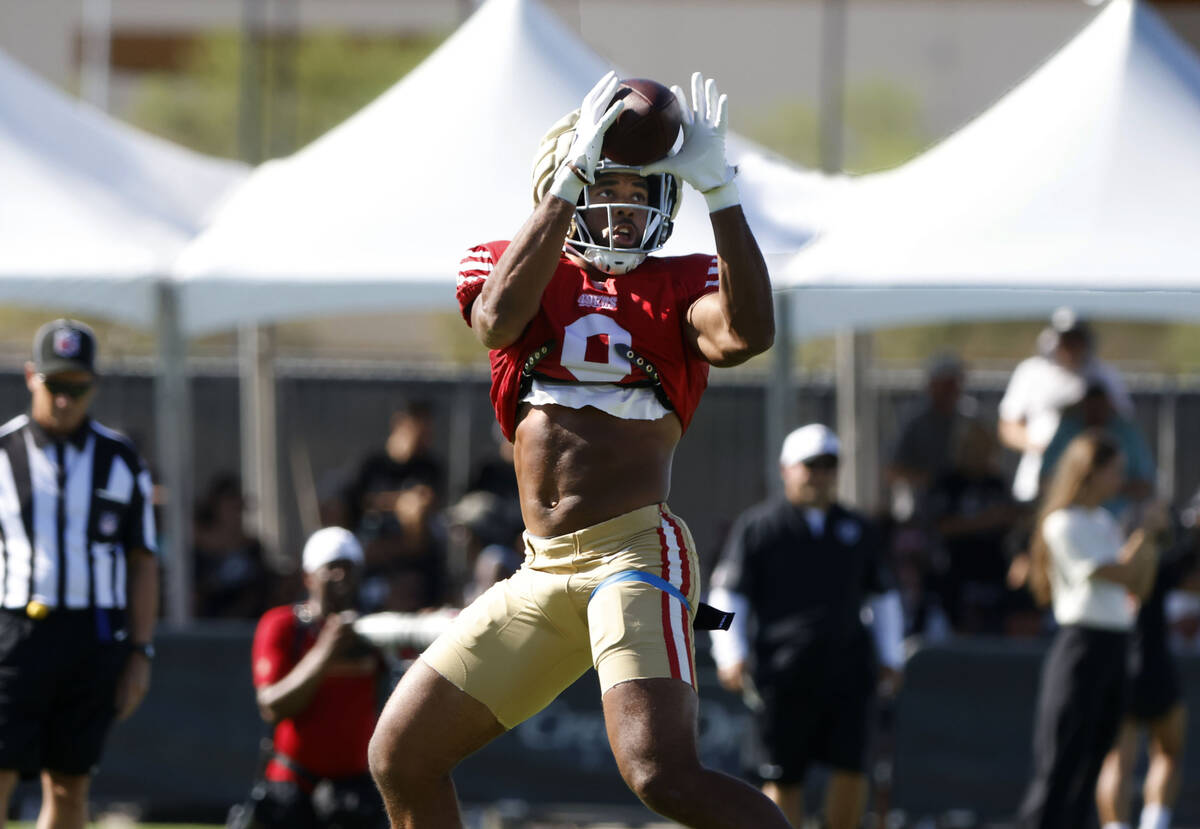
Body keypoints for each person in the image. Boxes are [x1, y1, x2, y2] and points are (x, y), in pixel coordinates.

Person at [368, 71, 789, 828]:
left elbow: (748, 333)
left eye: (639, 193)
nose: (624, 209)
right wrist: (569, 178)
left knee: (660, 772)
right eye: (607, 186)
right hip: (542, 568)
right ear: (564, 183)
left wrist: (722, 194)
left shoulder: (680, 283)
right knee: (401, 754)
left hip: (634, 554)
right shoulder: (512, 268)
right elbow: (497, 320)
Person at [0, 319, 159, 829]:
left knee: (70, 787)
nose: (65, 399)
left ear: (95, 384)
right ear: (31, 376)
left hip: (92, 637)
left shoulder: (121, 459)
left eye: (78, 386)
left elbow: (142, 561)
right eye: (55, 385)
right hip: (13, 633)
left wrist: (140, 652)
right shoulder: (3, 452)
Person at [708, 424, 905, 829]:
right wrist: (730, 653)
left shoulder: (859, 528)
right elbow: (728, 594)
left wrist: (892, 656)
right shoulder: (759, 526)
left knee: (852, 767)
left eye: (829, 466)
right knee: (782, 775)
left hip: (849, 671)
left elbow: (883, 596)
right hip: (783, 673)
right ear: (786, 469)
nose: (820, 475)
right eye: (811, 466)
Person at [1016, 431, 1163, 829]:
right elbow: (1118, 573)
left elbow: (1140, 585)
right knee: (1060, 764)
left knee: (1093, 761)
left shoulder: (1104, 521)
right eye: (1113, 470)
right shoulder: (1063, 523)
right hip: (1081, 647)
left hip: (1116, 646)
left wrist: (1150, 539)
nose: (1120, 479)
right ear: (1090, 472)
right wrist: (1144, 534)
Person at [239, 527, 387, 829]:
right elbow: (272, 705)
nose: (341, 577)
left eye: (349, 568)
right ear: (309, 577)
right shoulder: (283, 626)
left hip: (355, 792)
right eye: (332, 568)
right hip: (293, 787)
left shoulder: (374, 631)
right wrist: (325, 652)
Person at [1095, 498, 1200, 829]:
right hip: (1144, 665)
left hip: (1128, 666)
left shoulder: (1119, 562)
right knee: (1127, 760)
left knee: (1131, 758)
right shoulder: (1144, 563)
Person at [999, 308, 1132, 504]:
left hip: (1093, 484)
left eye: (1077, 338)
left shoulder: (1104, 375)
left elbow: (1123, 421)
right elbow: (1008, 427)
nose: (1071, 346)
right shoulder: (1030, 372)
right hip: (1037, 479)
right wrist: (1045, 448)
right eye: (1066, 339)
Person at [925, 420, 1030, 635]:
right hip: (955, 571)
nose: (978, 453)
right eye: (972, 446)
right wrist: (987, 520)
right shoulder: (948, 483)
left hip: (995, 571)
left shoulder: (996, 483)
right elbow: (941, 526)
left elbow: (1012, 521)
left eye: (984, 447)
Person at [1040, 378, 1155, 525]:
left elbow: (1146, 485)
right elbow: (1044, 480)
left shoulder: (1127, 433)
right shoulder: (1063, 523)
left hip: (1121, 519)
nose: (1096, 413)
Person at [886, 351, 980, 522]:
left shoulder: (969, 417)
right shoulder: (914, 422)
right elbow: (892, 470)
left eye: (955, 383)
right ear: (932, 385)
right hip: (920, 510)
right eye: (947, 384)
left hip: (963, 508)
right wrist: (931, 480)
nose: (952, 389)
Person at [193, 473, 273, 619]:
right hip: (208, 622)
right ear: (215, 506)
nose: (234, 511)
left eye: (237, 505)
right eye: (229, 504)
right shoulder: (197, 549)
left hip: (247, 622)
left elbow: (261, 587)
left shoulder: (252, 548)